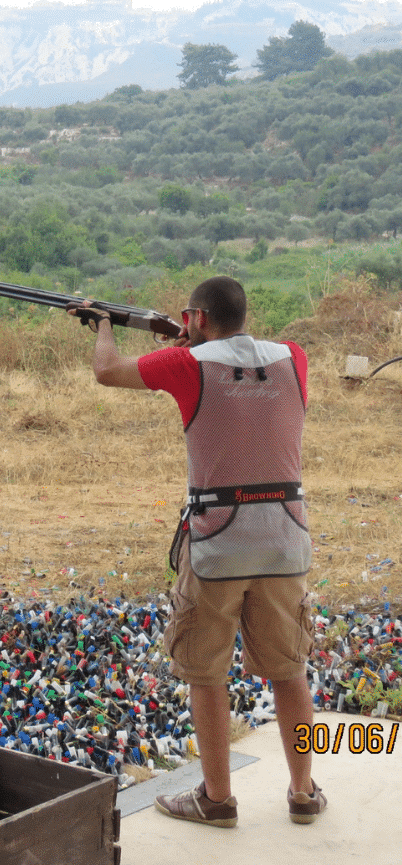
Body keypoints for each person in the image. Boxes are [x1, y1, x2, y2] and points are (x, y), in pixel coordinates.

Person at [68, 276, 325, 828]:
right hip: (285, 540)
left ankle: (216, 799)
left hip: (216, 541)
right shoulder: (294, 359)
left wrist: (106, 325)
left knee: (207, 672)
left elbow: (106, 371)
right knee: (290, 670)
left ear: (198, 319)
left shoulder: (185, 366)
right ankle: (304, 793)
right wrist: (192, 336)